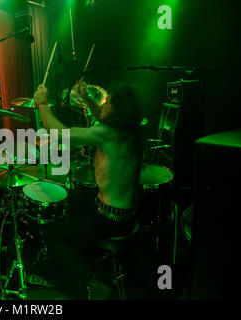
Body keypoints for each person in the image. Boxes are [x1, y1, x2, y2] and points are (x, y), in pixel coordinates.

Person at [33, 79, 143, 299]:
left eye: (108, 103)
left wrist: (43, 104)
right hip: (124, 213)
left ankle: (92, 282)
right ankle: (84, 251)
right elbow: (102, 118)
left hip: (110, 219)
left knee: (52, 234)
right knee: (66, 198)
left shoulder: (109, 133)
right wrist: (86, 97)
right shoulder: (131, 130)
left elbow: (61, 134)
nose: (103, 105)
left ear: (118, 110)